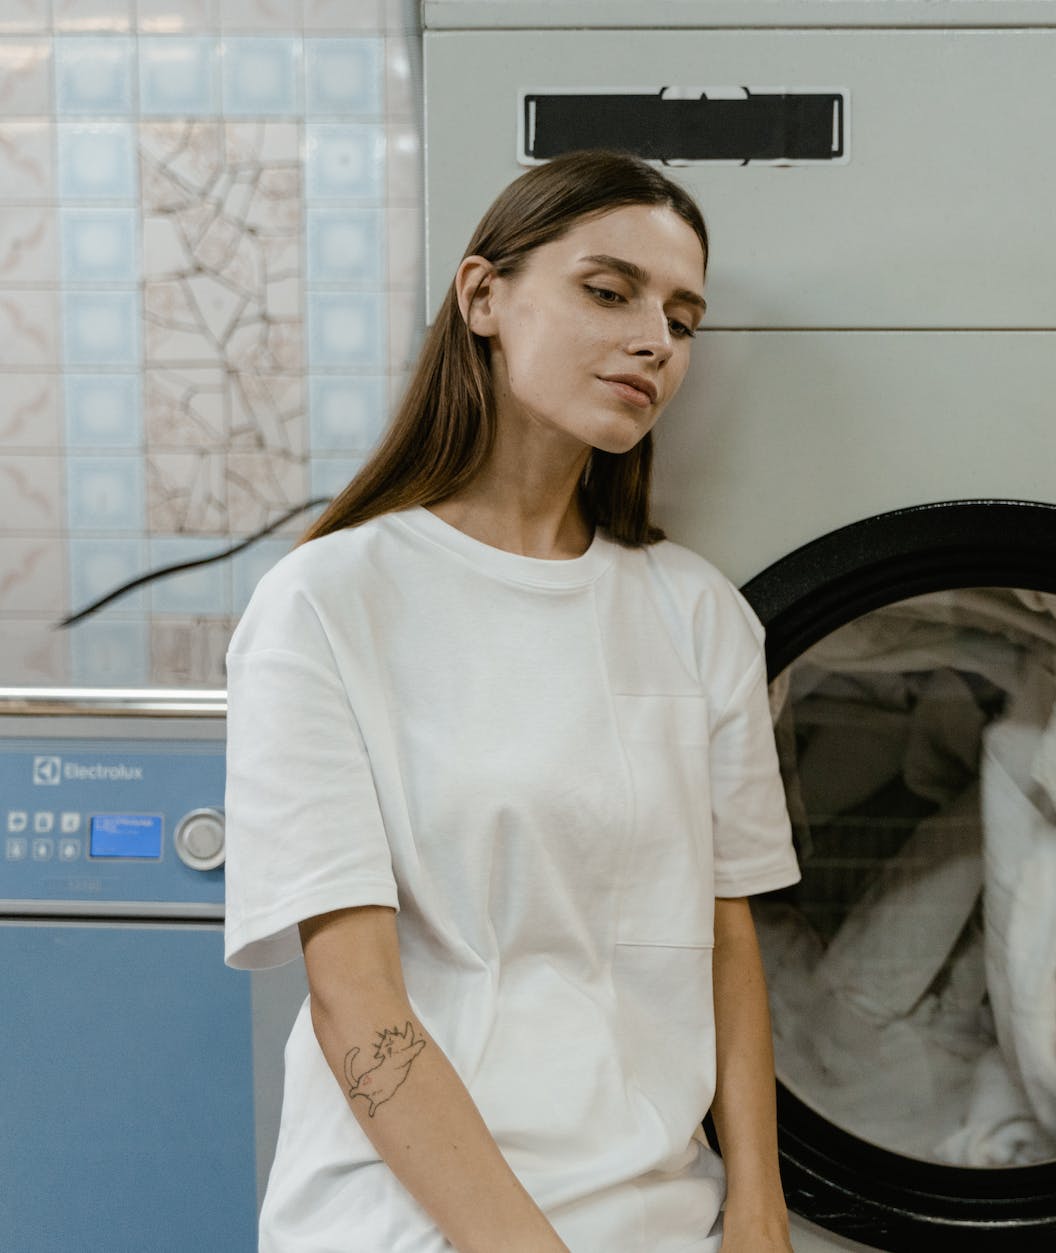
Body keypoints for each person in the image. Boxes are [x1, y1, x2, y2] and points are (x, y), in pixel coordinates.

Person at [222, 150, 800, 1253]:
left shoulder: (696, 614)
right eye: (607, 290)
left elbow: (725, 937)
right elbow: (357, 997)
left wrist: (758, 1222)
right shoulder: (328, 603)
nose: (653, 341)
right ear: (482, 295)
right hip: (409, 1216)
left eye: (682, 319)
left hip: (660, 1211)